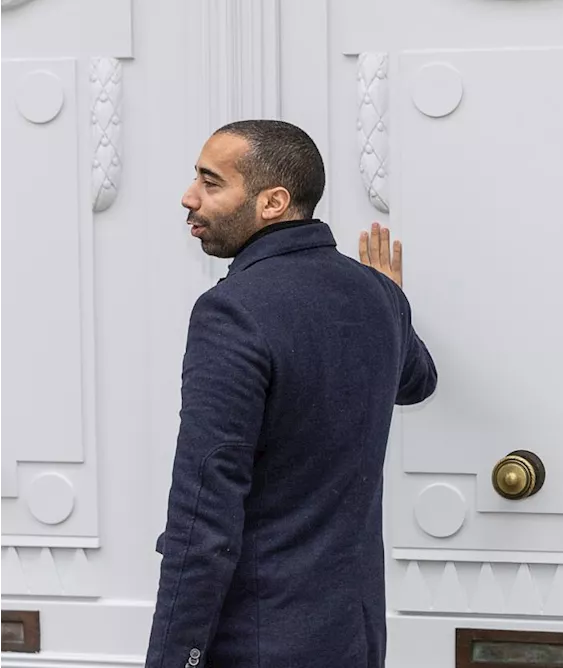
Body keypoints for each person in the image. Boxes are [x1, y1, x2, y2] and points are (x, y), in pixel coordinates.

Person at [145, 119, 437, 668]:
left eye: (211, 183)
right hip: (354, 638)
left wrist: (172, 660)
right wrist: (391, 301)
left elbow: (204, 513)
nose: (189, 198)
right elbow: (418, 382)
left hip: (258, 642)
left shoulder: (231, 310)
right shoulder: (376, 293)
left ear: (272, 202)